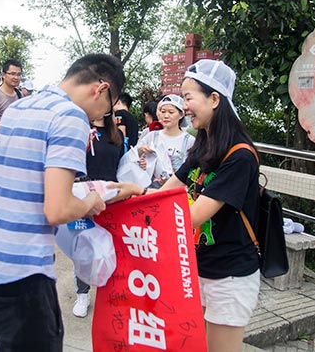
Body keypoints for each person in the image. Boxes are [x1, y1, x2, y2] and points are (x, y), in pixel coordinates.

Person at [0, 53, 126, 351]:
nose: (101, 115)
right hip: (22, 273)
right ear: (101, 88)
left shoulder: (20, 107)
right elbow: (58, 210)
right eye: (107, 108)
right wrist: (91, 201)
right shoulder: (70, 117)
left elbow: (30, 184)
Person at [117, 60, 261, 352]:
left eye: (188, 97)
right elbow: (167, 191)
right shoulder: (204, 145)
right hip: (199, 267)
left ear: (215, 99)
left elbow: (193, 216)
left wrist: (135, 194)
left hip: (230, 276)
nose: (184, 105)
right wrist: (128, 194)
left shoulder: (239, 156)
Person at [72, 113, 124, 318]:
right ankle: (82, 294)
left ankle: (111, 293)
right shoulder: (79, 129)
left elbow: (122, 166)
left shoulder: (116, 134)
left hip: (110, 197)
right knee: (82, 247)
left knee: (111, 248)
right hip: (82, 195)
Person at [137, 94, 194, 187]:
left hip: (177, 191)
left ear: (181, 114)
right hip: (152, 191)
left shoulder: (189, 141)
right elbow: (133, 157)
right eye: (163, 112)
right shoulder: (152, 136)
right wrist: (141, 153)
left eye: (171, 112)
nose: (166, 116)